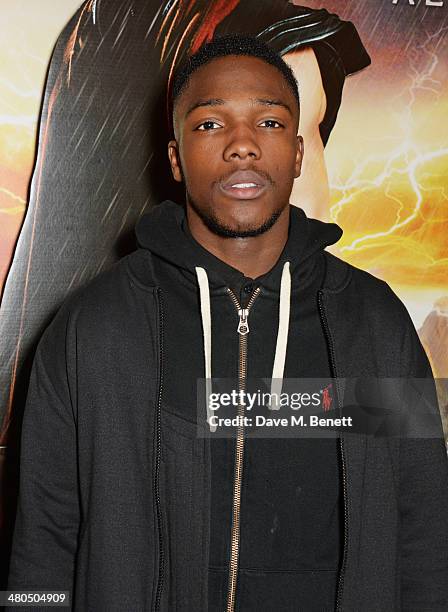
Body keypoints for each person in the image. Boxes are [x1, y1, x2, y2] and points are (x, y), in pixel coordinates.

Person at [7, 34, 448, 611]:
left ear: (296, 152)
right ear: (174, 157)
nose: (242, 146)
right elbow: (44, 539)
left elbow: (422, 526)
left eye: (268, 123)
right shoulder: (94, 327)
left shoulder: (373, 322)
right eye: (211, 125)